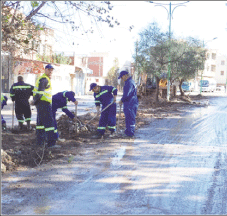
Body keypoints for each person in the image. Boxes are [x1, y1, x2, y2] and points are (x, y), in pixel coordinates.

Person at [32, 64, 58, 148]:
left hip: (40, 104)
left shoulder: (43, 78)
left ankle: (40, 142)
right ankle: (51, 143)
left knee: (40, 123)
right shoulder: (44, 79)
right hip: (44, 103)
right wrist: (34, 101)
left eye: (52, 70)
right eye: (49, 70)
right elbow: (40, 92)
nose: (51, 72)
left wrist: (35, 102)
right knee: (49, 123)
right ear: (45, 70)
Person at [118, 71, 138, 138]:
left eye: (121, 77)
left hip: (130, 103)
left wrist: (121, 100)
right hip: (130, 103)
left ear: (124, 76)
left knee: (130, 118)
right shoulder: (130, 82)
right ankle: (128, 132)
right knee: (128, 118)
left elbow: (127, 94)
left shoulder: (129, 83)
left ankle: (130, 133)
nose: (121, 79)